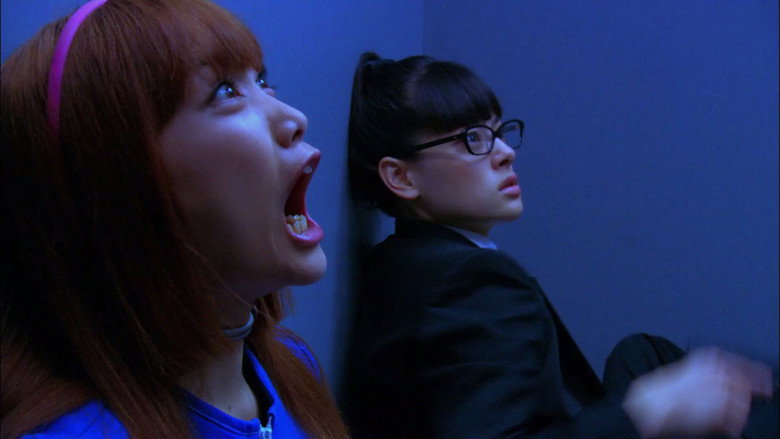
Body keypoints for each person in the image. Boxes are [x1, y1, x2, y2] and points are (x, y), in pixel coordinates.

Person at [344, 52, 775, 438]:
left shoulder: (404, 259)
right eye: (472, 139)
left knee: (647, 352)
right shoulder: (474, 283)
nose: (505, 152)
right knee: (743, 400)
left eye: (498, 132)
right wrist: (648, 412)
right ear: (401, 177)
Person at [1, 0, 350, 437]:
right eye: (225, 90)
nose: (295, 118)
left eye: (261, 80)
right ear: (119, 183)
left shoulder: (293, 368)